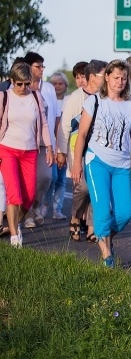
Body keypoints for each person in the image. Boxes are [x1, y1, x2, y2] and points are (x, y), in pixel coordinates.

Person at [71, 59, 131, 267]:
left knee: (125, 213)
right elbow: (82, 134)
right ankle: (107, 255)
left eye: (123, 78)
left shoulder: (130, 105)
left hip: (121, 165)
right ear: (106, 77)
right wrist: (77, 163)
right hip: (96, 161)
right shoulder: (95, 101)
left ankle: (105, 237)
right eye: (116, 77)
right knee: (102, 210)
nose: (120, 82)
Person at [0, 63, 54, 247]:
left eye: (27, 83)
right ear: (12, 81)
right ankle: (15, 237)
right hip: (7, 149)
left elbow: (44, 124)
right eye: (19, 84)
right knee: (14, 194)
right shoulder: (4, 97)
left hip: (30, 151)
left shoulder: (36, 97)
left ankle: (12, 224)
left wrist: (49, 147)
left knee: (29, 196)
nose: (23, 87)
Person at [59, 60, 106, 242]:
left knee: (97, 187)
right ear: (92, 77)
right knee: (82, 188)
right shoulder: (75, 98)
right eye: (104, 75)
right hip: (76, 148)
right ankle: (76, 216)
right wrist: (61, 151)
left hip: (98, 149)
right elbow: (65, 126)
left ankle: (92, 227)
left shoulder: (105, 97)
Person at [22, 52, 59, 228]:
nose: (42, 69)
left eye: (43, 66)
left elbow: (56, 117)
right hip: (26, 141)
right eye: (38, 66)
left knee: (45, 177)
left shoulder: (49, 88)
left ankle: (36, 205)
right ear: (28, 67)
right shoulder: (20, 86)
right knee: (28, 179)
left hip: (46, 141)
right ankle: (28, 213)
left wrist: (56, 145)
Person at [43, 71, 69, 220]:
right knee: (50, 178)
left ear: (65, 85)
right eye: (54, 83)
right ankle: (44, 204)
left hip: (63, 144)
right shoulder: (47, 99)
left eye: (60, 83)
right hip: (50, 144)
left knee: (60, 179)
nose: (57, 86)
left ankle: (57, 209)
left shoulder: (69, 101)